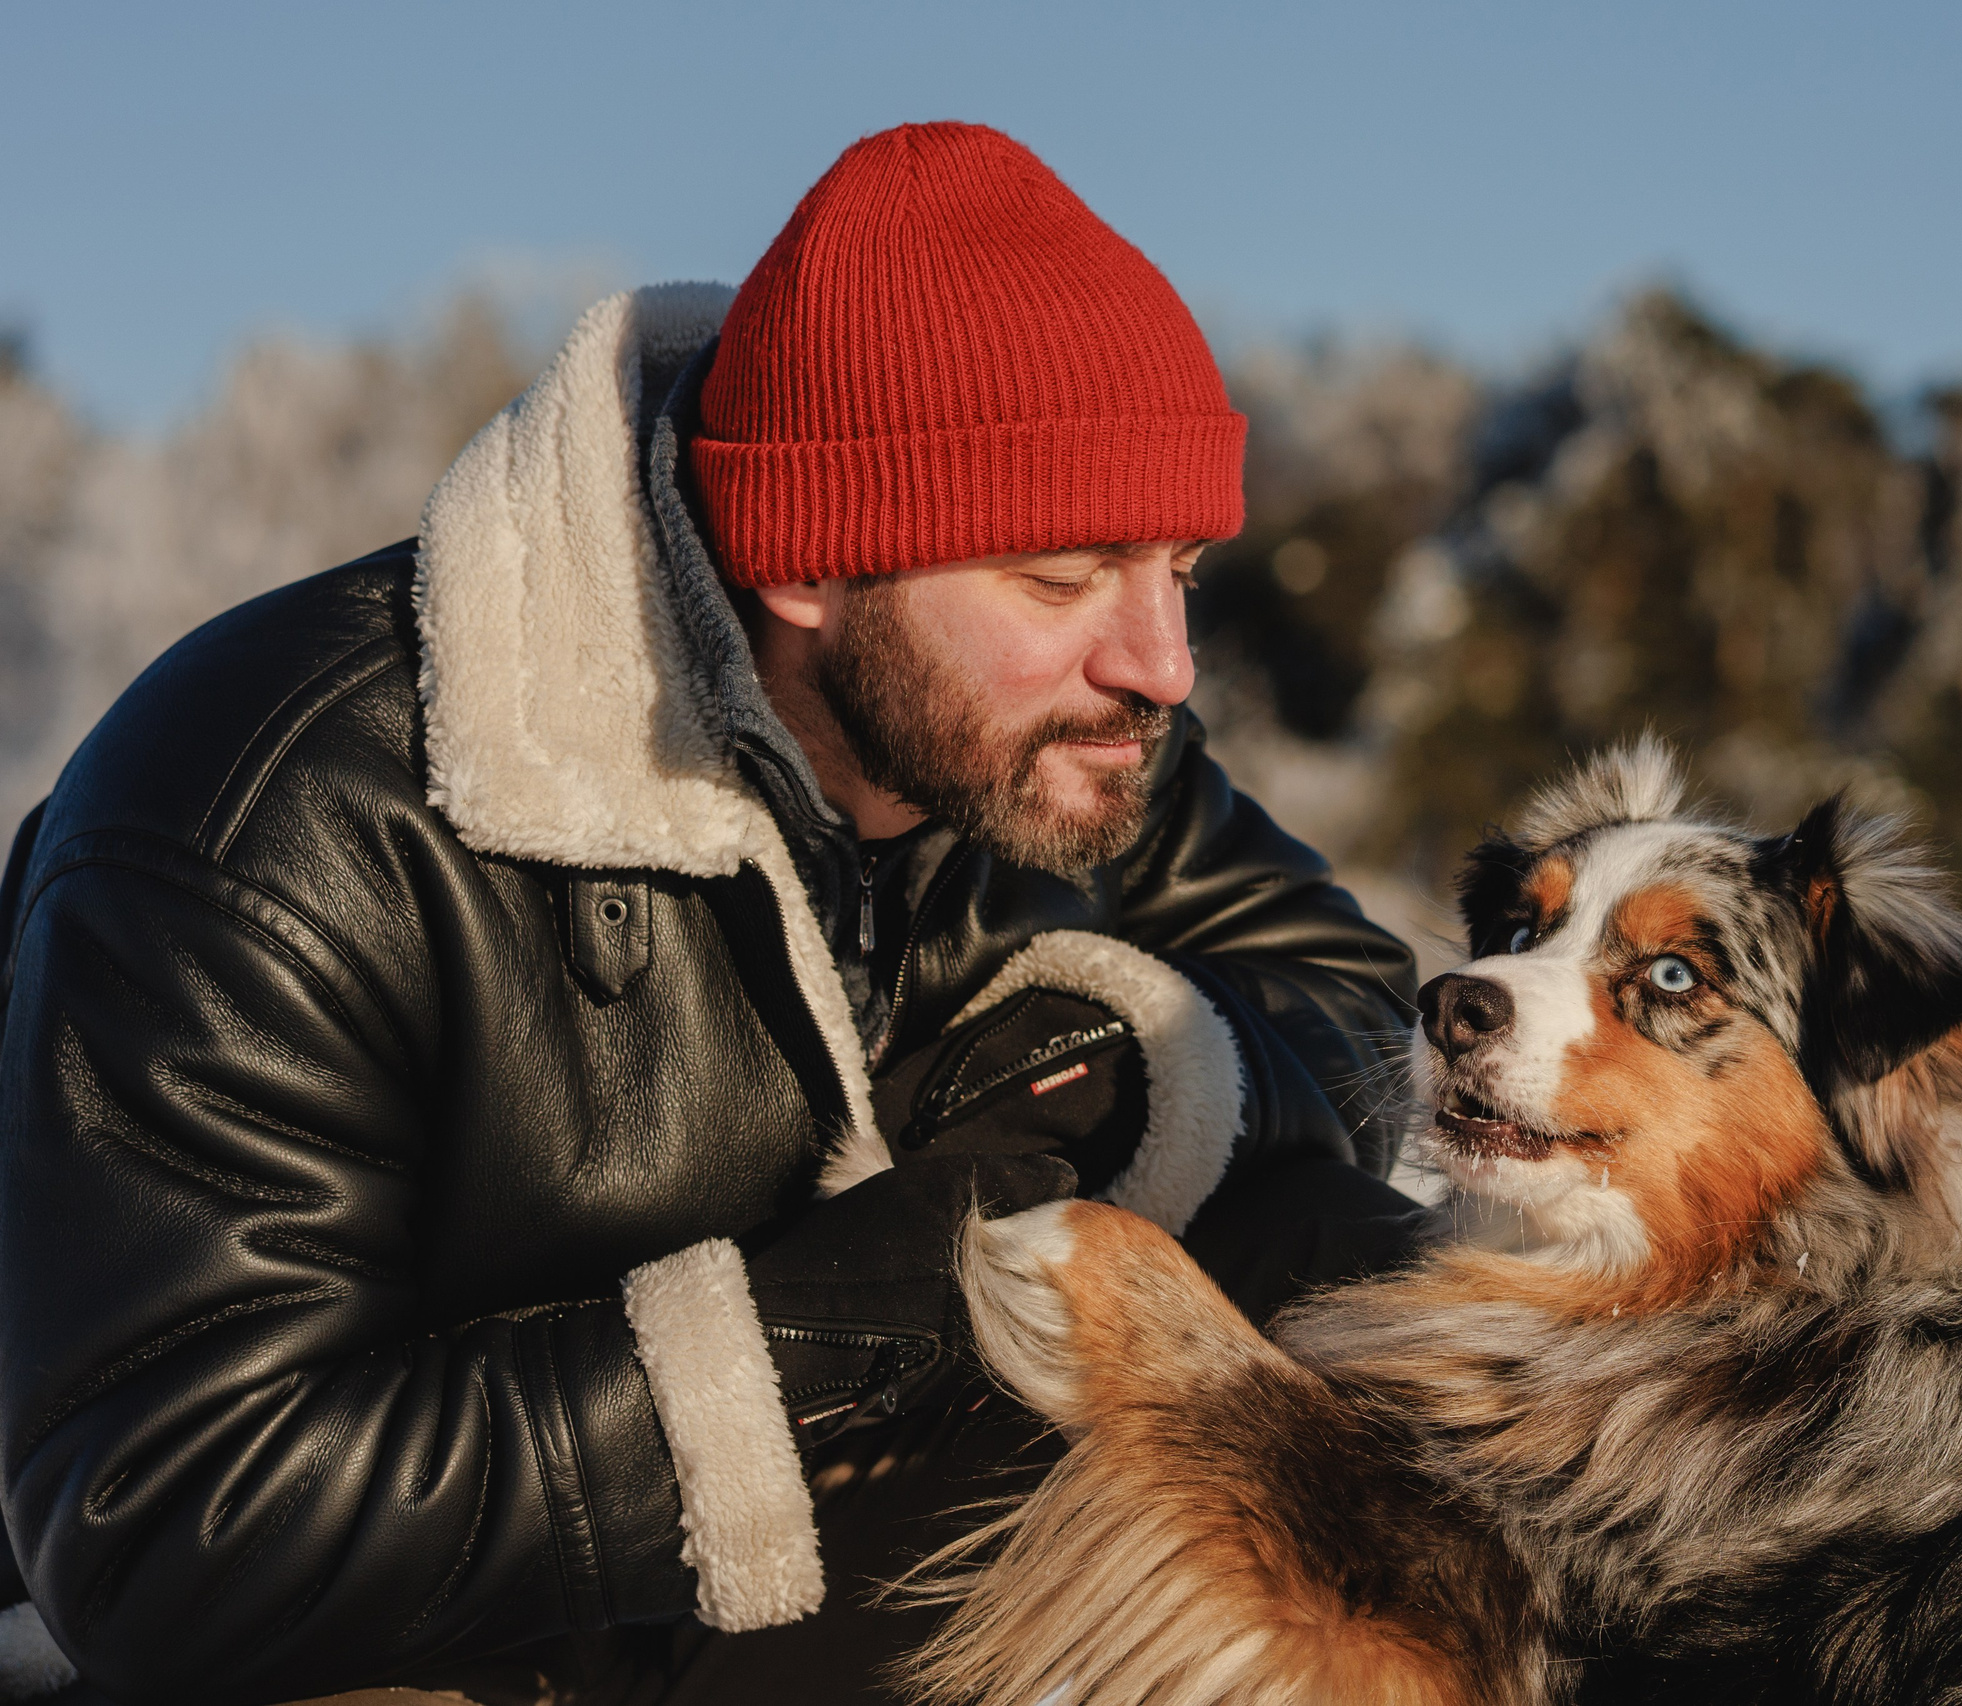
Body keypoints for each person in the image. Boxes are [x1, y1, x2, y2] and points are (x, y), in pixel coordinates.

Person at [0, 122, 1422, 1706]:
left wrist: (1148, 1068)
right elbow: (161, 1526)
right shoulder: (266, 804)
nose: (1161, 660)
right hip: (397, 1660)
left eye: (1181, 566)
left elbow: (1348, 996)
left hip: (801, 1596)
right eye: (1065, 571)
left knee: (1346, 1278)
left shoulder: (1041, 738)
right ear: (811, 559)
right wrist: (791, 1345)